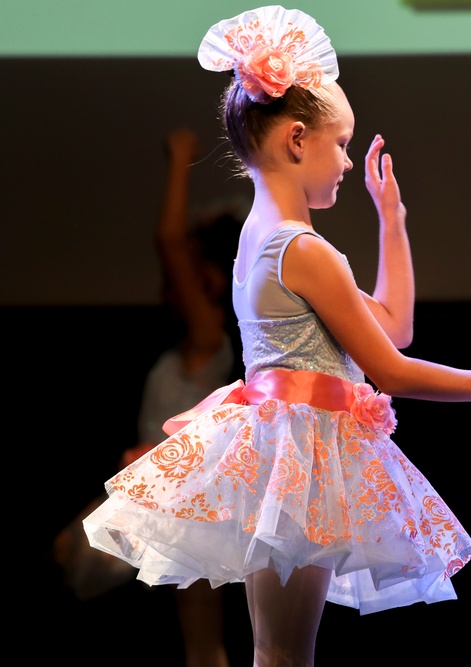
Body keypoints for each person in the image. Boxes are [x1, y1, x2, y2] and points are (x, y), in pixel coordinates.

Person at [82, 6, 471, 666]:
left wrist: (390, 220)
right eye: (340, 144)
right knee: (282, 652)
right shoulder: (302, 250)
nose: (345, 160)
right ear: (298, 139)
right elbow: (390, 367)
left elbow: (391, 325)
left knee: (279, 648)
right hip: (297, 456)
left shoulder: (264, 238)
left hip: (284, 450)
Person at [54, 127, 242, 666]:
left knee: (201, 636)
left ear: (208, 279)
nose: (173, 278)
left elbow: (168, 243)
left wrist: (180, 160)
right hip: (156, 488)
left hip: (178, 492)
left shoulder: (209, 335)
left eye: (189, 271)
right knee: (195, 633)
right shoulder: (191, 343)